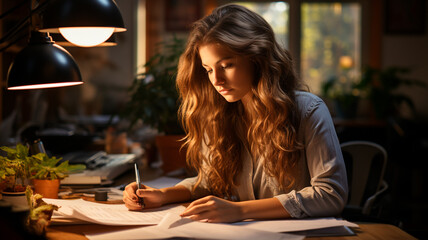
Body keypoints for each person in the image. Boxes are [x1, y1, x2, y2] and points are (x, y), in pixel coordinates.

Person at [123, 4, 348, 223]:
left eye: (227, 65)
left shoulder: (308, 111)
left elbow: (330, 194)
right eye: (209, 70)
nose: (216, 80)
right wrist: (162, 195)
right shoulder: (219, 115)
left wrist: (239, 211)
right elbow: (210, 182)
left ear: (256, 59)